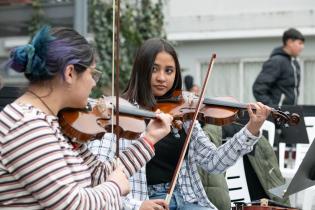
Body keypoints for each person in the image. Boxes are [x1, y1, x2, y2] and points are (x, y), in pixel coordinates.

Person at [0, 26, 173, 209]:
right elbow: (73, 205)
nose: (93, 84)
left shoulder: (55, 123)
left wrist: (150, 138)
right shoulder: (28, 127)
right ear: (70, 73)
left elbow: (100, 174)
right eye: (92, 74)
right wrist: (115, 187)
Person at [88, 38, 271, 210]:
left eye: (169, 71)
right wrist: (135, 205)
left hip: (188, 197)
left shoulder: (184, 114)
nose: (162, 78)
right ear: (141, 70)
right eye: (154, 69)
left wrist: (251, 130)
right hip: (146, 200)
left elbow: (213, 162)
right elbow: (99, 179)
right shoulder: (122, 112)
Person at [252, 28, 305, 106]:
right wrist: (273, 109)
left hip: (290, 113)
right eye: (300, 43)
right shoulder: (276, 61)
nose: (302, 47)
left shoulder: (294, 63)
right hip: (278, 115)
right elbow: (258, 89)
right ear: (289, 42)